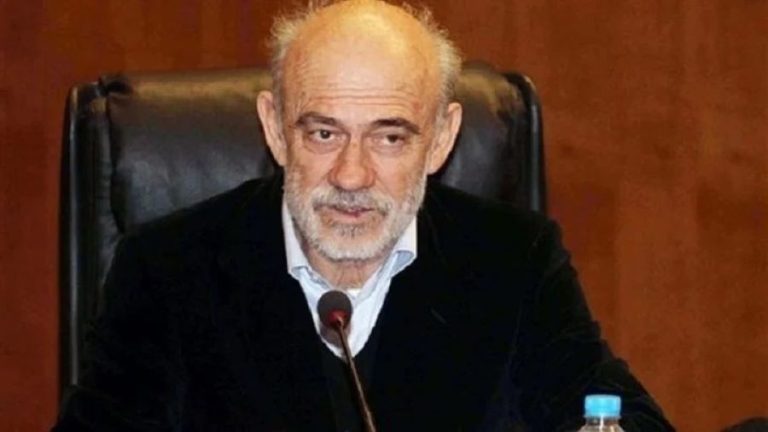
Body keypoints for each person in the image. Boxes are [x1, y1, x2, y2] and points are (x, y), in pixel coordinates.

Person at [53, 1, 674, 430]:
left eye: (390, 137)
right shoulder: (168, 269)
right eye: (324, 133)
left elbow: (619, 415)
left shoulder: (513, 259)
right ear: (275, 128)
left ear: (441, 139)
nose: (352, 175)